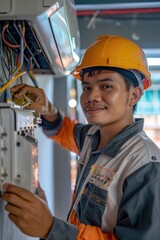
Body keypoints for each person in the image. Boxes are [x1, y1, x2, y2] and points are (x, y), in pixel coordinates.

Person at [2, 34, 160, 240]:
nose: (92, 96)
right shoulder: (93, 136)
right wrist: (46, 107)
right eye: (87, 87)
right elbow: (63, 130)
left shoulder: (144, 167)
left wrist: (50, 228)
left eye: (106, 86)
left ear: (134, 95)